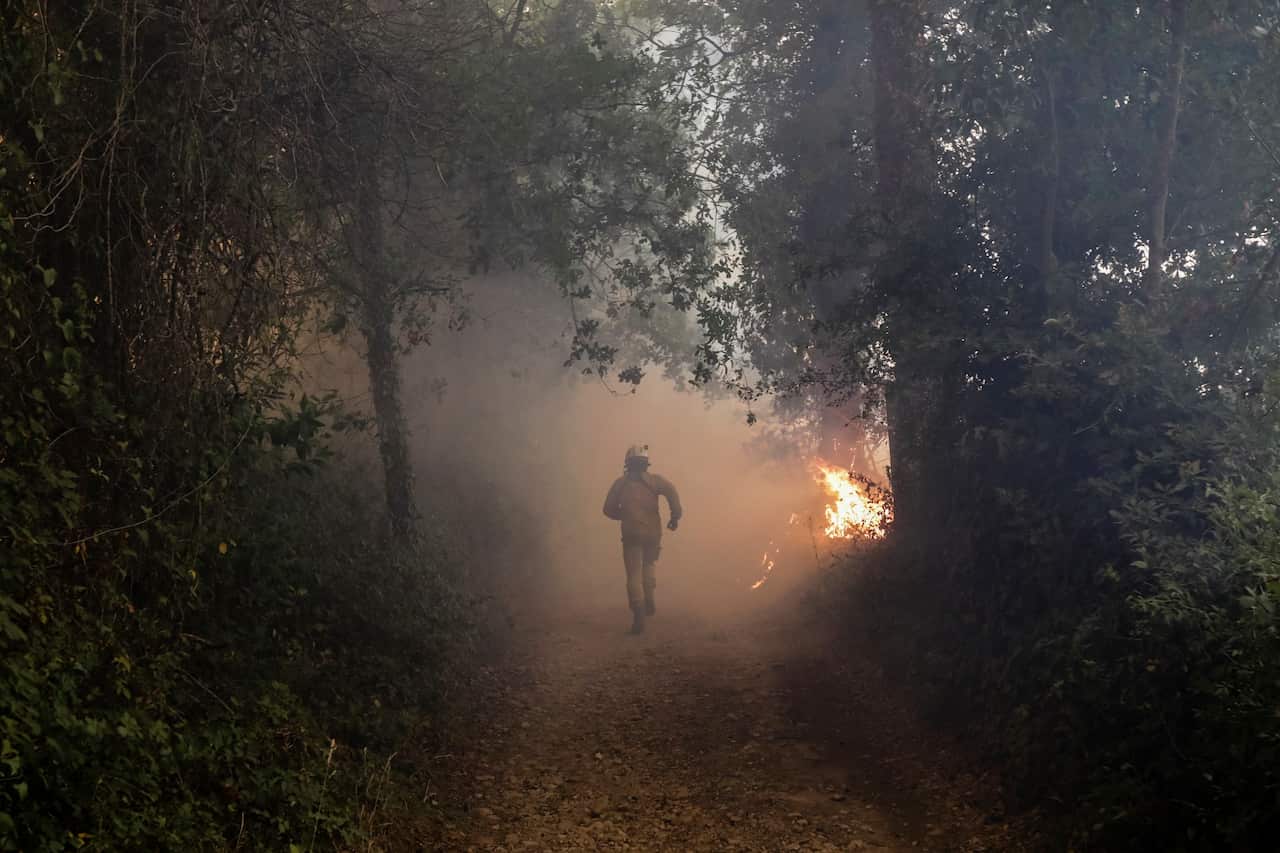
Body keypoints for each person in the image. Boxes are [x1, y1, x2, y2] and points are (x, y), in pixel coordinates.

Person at [602, 444, 682, 634]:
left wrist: (625, 515)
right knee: (649, 564)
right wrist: (675, 517)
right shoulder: (656, 481)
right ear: (646, 464)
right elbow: (672, 492)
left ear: (628, 464)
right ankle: (649, 598)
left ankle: (639, 614)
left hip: (631, 533)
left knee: (633, 575)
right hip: (653, 532)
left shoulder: (620, 484)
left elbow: (607, 509)